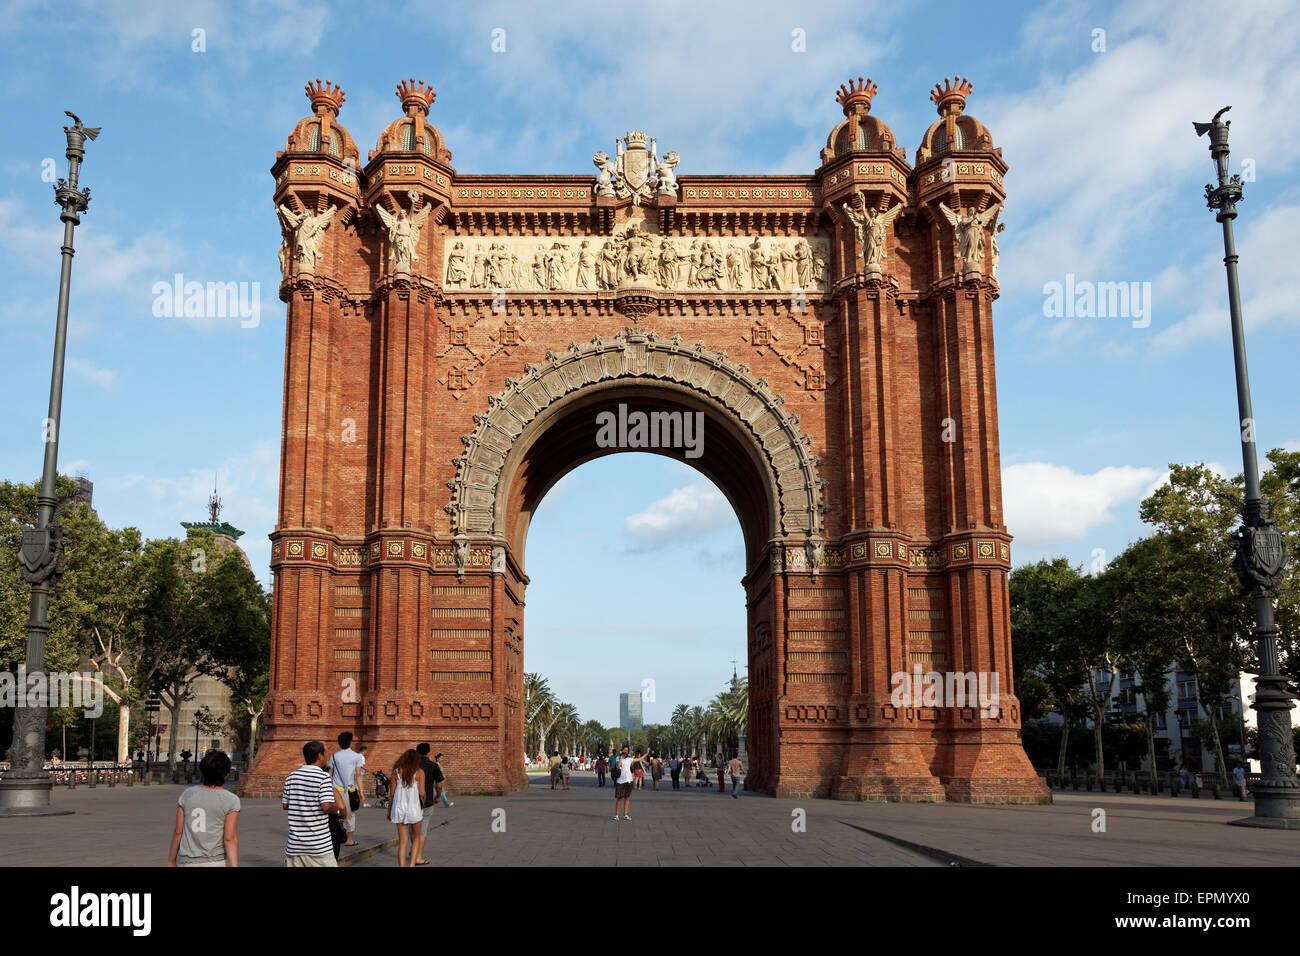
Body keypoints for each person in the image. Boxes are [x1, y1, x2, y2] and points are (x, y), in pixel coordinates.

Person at [168, 749, 239, 867]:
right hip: (216, 860)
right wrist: (234, 865)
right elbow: (229, 838)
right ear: (227, 773)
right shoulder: (231, 799)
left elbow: (178, 831)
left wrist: (171, 860)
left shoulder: (187, 794)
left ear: (203, 770)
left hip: (187, 860)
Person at [282, 740, 346, 867]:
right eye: (325, 753)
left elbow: (285, 805)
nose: (327, 756)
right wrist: (337, 808)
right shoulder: (323, 777)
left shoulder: (291, 776)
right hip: (318, 846)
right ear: (319, 756)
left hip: (295, 846)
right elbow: (326, 806)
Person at [387, 748, 425, 867]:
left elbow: (391, 795)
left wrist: (389, 811)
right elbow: (422, 793)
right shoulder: (419, 772)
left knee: (403, 841)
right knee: (416, 839)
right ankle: (411, 865)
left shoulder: (396, 772)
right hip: (414, 808)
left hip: (399, 809)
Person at [330, 731, 365, 847]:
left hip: (335, 789)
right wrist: (361, 792)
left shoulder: (334, 756)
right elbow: (358, 775)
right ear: (350, 742)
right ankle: (349, 839)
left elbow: (330, 773)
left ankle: (334, 835)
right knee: (350, 815)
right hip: (349, 791)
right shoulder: (357, 756)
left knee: (335, 814)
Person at [414, 743, 439, 866]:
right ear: (429, 752)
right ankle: (418, 857)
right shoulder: (433, 765)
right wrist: (438, 796)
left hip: (412, 802)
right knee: (422, 831)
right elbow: (439, 784)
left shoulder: (411, 765)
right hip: (427, 801)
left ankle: (413, 850)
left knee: (412, 829)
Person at [613, 744, 644, 821]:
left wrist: (646, 753)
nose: (625, 751)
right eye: (624, 750)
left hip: (629, 780)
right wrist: (621, 758)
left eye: (627, 750)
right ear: (622, 750)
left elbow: (639, 759)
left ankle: (625, 815)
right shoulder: (618, 757)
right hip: (620, 780)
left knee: (627, 798)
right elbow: (618, 765)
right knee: (620, 798)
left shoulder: (630, 758)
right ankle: (617, 815)